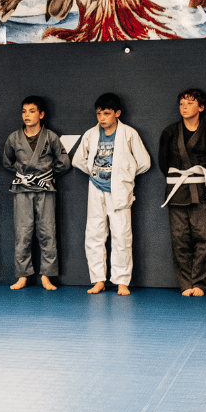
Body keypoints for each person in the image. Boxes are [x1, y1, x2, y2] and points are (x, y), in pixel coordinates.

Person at [71, 93, 150, 296]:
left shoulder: (129, 133)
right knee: (94, 235)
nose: (102, 118)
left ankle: (122, 281)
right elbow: (78, 160)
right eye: (99, 114)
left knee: (121, 236)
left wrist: (123, 175)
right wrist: (95, 173)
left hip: (120, 192)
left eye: (106, 113)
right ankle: (98, 280)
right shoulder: (91, 134)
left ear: (117, 113)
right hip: (96, 189)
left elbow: (144, 162)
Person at [157, 88, 206, 297]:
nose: (184, 107)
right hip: (177, 191)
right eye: (181, 103)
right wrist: (179, 179)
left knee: (205, 238)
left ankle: (199, 283)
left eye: (189, 103)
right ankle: (185, 283)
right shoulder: (169, 132)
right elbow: (163, 162)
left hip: (202, 191)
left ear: (201, 107)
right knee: (179, 239)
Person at [3, 95, 71, 291]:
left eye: (32, 111)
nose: (27, 115)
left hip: (45, 189)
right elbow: (7, 162)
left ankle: (46, 276)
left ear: (41, 114)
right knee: (23, 233)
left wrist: (46, 174)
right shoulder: (14, 138)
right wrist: (24, 175)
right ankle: (22, 276)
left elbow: (64, 163)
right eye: (24, 111)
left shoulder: (51, 137)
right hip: (22, 190)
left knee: (47, 232)